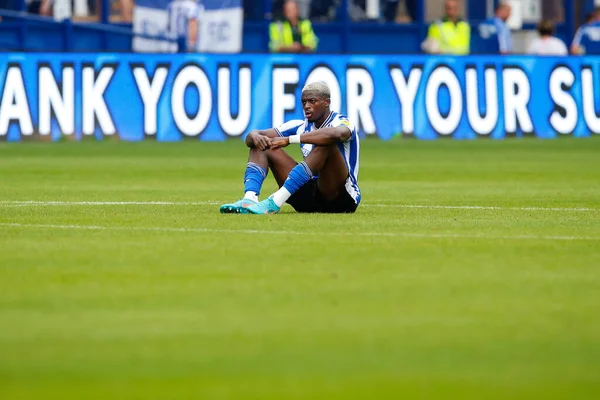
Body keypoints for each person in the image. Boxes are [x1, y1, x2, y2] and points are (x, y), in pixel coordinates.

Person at [219, 81, 361, 215]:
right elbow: (253, 135)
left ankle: (274, 202)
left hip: (340, 198)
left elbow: (336, 134)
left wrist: (289, 140)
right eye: (304, 102)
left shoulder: (341, 121)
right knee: (262, 144)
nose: (306, 106)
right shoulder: (299, 125)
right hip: (309, 198)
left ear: (327, 102)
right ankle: (249, 200)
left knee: (326, 144)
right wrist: (255, 136)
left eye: (312, 101)